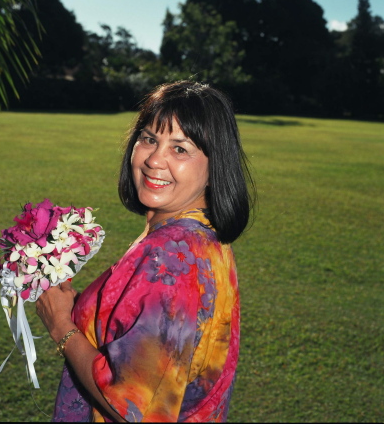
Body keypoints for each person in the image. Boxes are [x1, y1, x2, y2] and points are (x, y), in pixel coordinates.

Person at [36, 80, 255, 422]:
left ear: (215, 167)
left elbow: (132, 410)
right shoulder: (200, 235)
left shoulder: (168, 259)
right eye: (150, 139)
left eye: (180, 148)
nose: (155, 159)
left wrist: (62, 326)